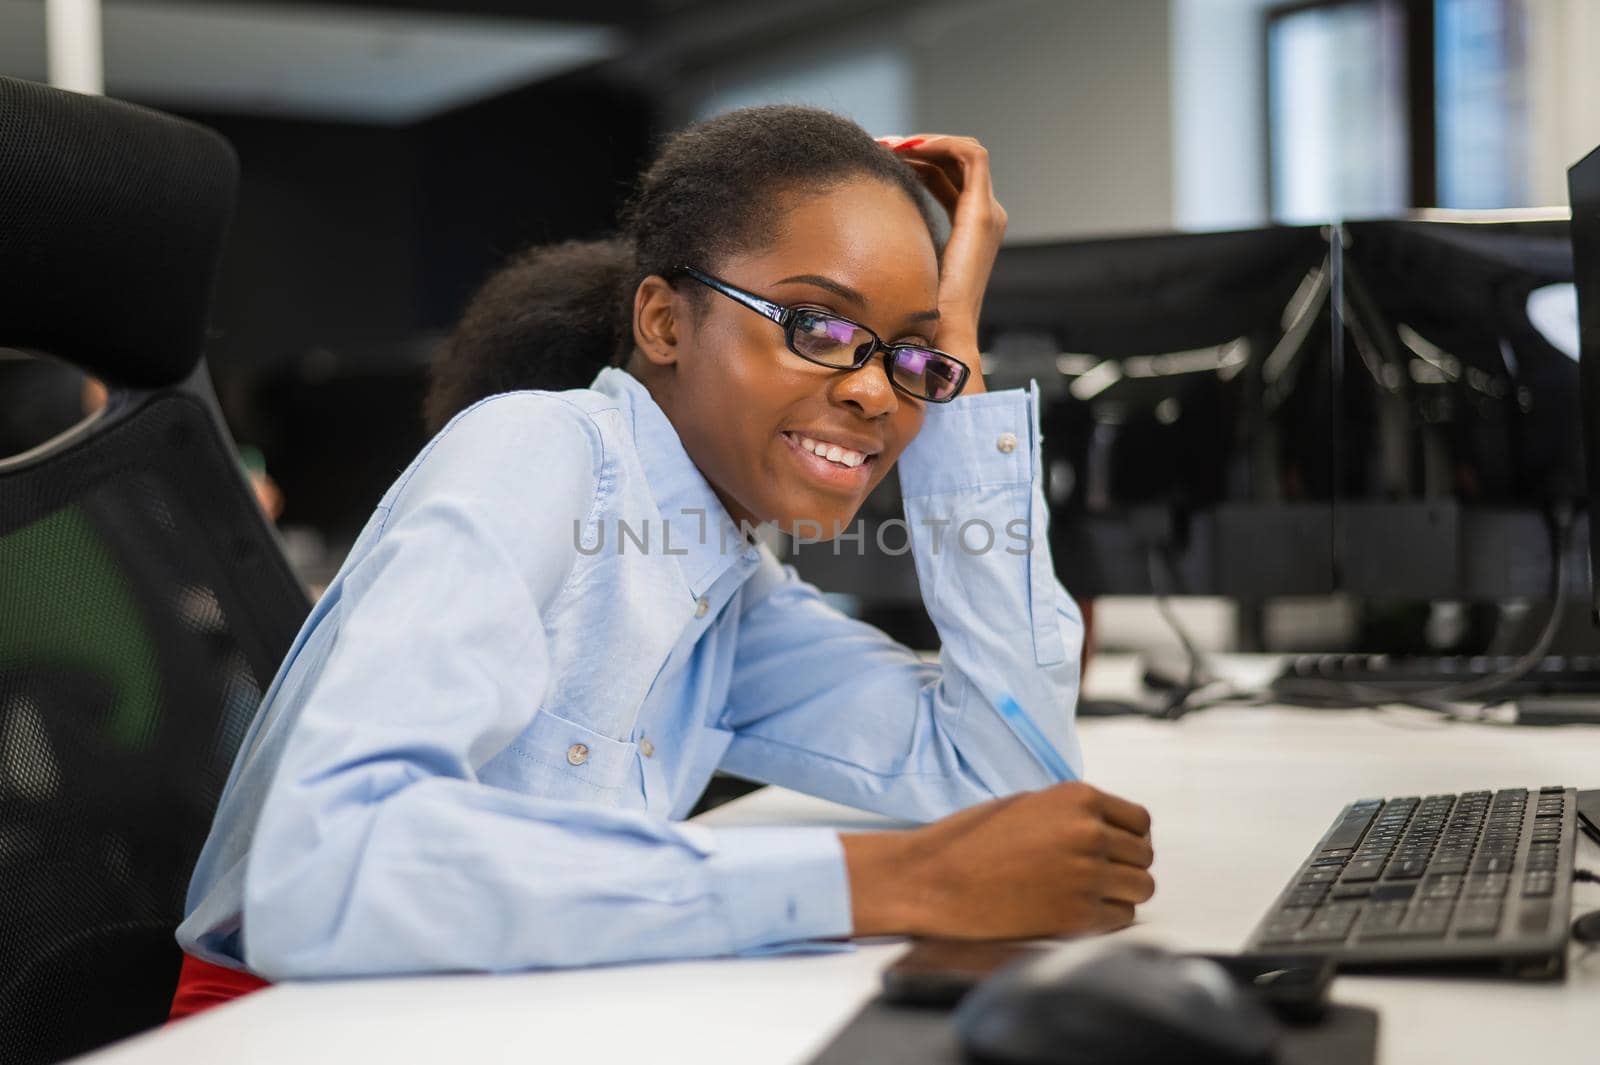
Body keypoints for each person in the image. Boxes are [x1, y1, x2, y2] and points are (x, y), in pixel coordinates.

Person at [169, 105, 1155, 1018]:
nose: (876, 396)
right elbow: (328, 864)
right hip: (286, 1023)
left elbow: (1010, 780)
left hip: (483, 1015)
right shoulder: (536, 451)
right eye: (819, 327)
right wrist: (889, 881)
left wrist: (960, 343)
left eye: (905, 357)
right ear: (664, 322)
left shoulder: (727, 586)